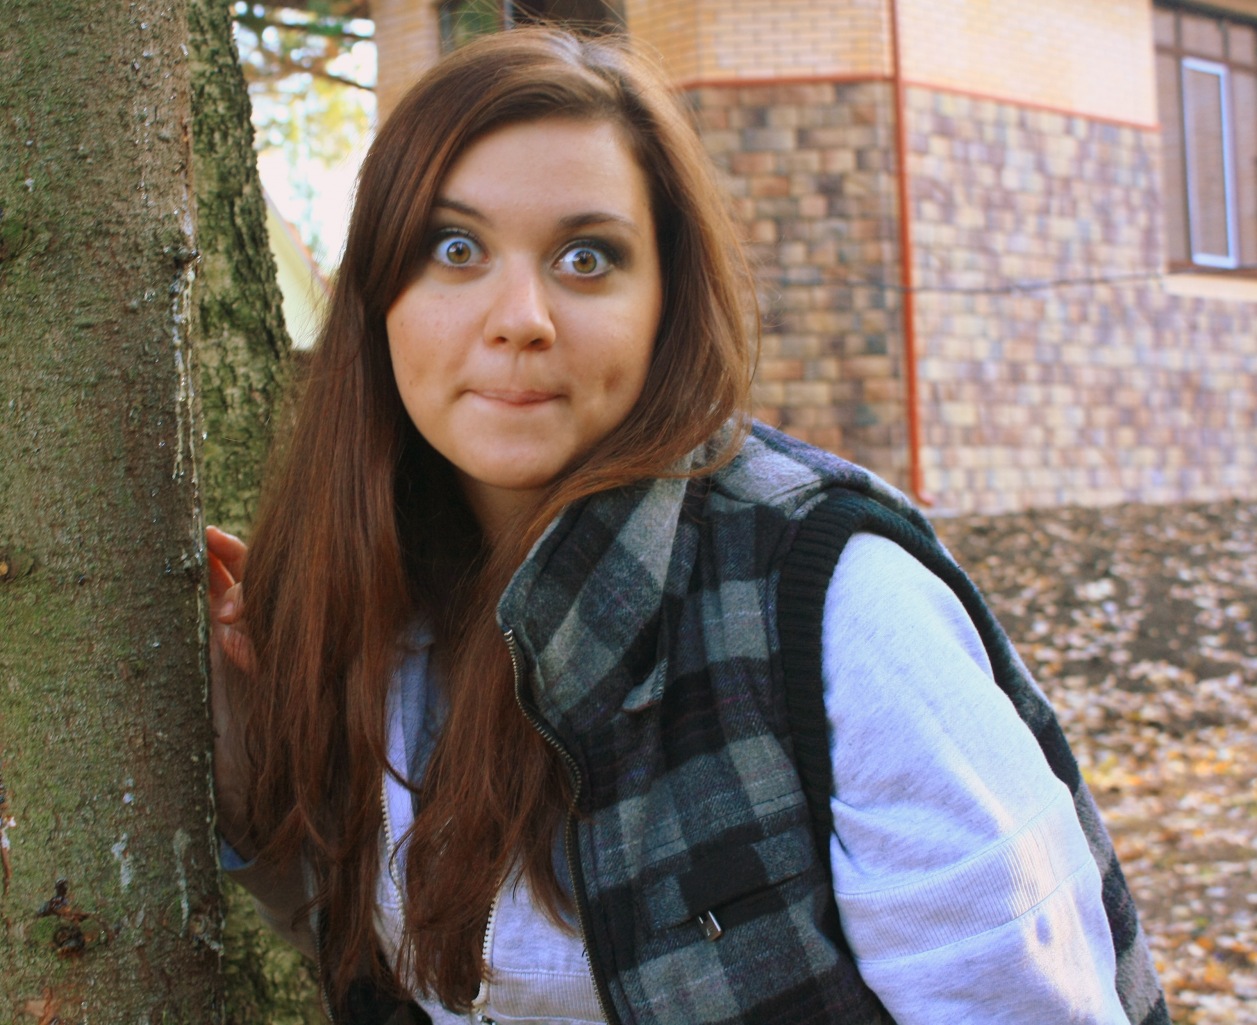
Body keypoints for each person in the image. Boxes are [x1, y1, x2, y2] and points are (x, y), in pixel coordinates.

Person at [208, 27, 1167, 1025]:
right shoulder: (375, 589)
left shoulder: (835, 602)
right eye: (456, 249)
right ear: (379, 296)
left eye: (587, 257)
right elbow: (388, 945)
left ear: (664, 303)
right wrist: (247, 754)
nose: (521, 316)